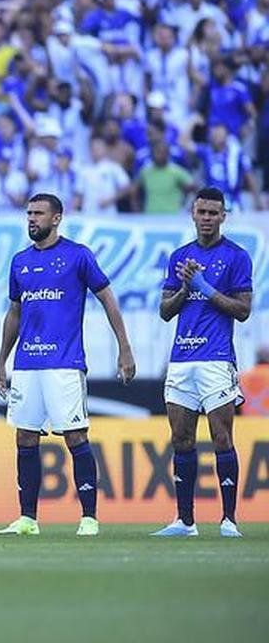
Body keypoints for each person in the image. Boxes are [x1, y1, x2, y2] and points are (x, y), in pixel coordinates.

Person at [0, 193, 136, 537]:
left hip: (64, 363)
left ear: (56, 218)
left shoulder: (78, 256)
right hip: (27, 365)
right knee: (25, 438)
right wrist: (1, 361)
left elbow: (107, 300)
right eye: (29, 213)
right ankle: (28, 519)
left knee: (75, 436)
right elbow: (15, 313)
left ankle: (89, 517)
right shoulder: (20, 261)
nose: (32, 219)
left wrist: (125, 348)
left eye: (39, 214)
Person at [153, 188, 253, 538]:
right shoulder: (180, 257)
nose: (207, 218)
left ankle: (228, 520)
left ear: (223, 215)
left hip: (216, 359)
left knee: (221, 437)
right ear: (192, 215)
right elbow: (165, 312)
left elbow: (243, 311)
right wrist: (184, 288)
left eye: (213, 213)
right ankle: (185, 521)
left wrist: (204, 287)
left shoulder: (237, 256)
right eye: (201, 212)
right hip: (181, 359)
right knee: (181, 439)